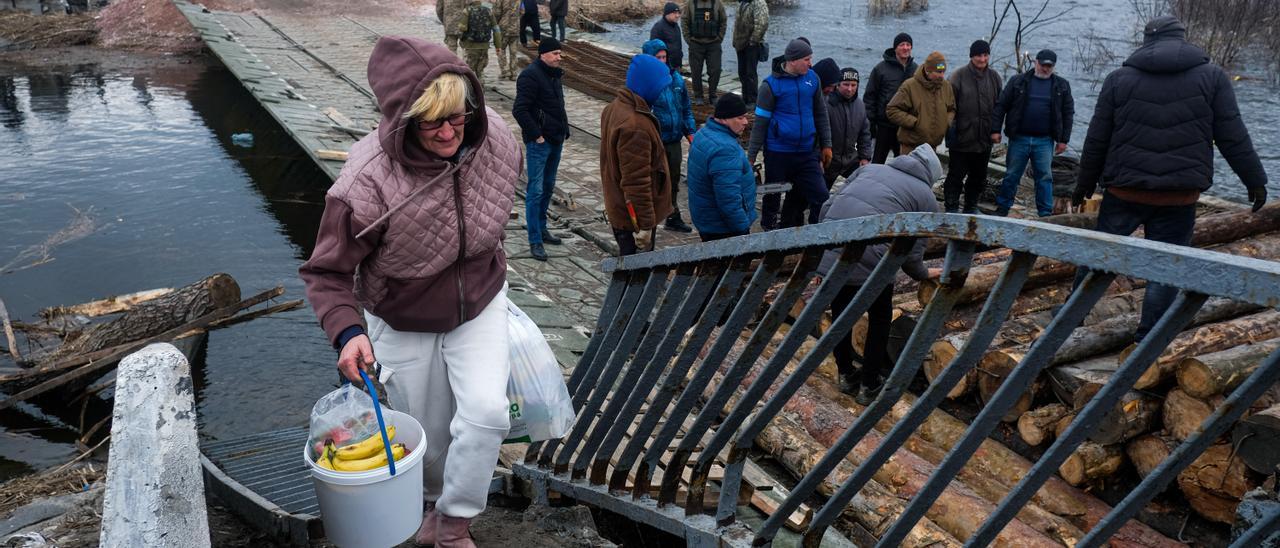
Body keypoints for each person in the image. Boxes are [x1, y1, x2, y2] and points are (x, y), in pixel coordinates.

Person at [299, 37, 521, 548]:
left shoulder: (498, 140)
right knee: (424, 433)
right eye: (431, 121)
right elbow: (326, 272)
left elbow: (496, 210)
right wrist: (348, 331)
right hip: (399, 315)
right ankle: (422, 509)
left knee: (486, 414)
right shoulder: (366, 181)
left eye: (458, 116)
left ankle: (455, 523)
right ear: (403, 117)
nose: (448, 131)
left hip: (480, 299)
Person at [1071, 15, 1268, 343]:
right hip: (1179, 195)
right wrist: (1255, 180)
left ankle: (1070, 320)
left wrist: (1083, 185)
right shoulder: (1213, 78)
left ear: (1147, 41)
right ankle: (1147, 342)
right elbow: (1233, 135)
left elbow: (1097, 139)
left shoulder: (1119, 79)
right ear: (1183, 38)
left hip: (1125, 190)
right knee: (1166, 269)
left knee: (1099, 259)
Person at [818, 144, 943, 404]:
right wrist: (925, 273)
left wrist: (824, 247)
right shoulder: (925, 197)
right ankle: (869, 383)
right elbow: (913, 252)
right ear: (930, 175)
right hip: (871, 262)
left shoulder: (870, 169)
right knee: (879, 318)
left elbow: (828, 205)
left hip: (833, 247)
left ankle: (845, 374)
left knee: (841, 312)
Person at [748, 38, 832, 230]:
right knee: (773, 196)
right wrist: (751, 156)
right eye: (807, 59)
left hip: (806, 152)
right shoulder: (770, 86)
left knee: (821, 196)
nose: (810, 63)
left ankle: (816, 235)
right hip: (778, 152)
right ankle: (768, 232)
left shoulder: (813, 79)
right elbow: (760, 124)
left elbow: (821, 114)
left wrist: (826, 145)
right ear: (793, 60)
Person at [600, 54, 675, 255]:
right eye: (659, 86)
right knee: (638, 280)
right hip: (632, 220)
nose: (662, 91)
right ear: (647, 85)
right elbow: (636, 182)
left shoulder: (614, 108)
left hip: (619, 208)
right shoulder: (635, 126)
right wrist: (645, 225)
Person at [990, 49, 1074, 217]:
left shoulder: (1062, 86)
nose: (1046, 69)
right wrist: (995, 130)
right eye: (1043, 65)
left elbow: (1068, 113)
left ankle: (1044, 213)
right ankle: (1003, 208)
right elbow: (1001, 106)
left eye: (1049, 66)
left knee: (1044, 177)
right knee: (1012, 175)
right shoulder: (1017, 81)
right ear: (1036, 62)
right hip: (1019, 138)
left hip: (1045, 141)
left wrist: (1064, 139)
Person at [512, 38, 570, 261]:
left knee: (548, 187)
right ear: (543, 54)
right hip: (540, 143)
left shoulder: (554, 75)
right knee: (535, 191)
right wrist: (536, 135)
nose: (559, 57)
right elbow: (520, 109)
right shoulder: (530, 75)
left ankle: (543, 229)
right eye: (555, 53)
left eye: (559, 53)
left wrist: (564, 130)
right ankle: (534, 239)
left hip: (556, 138)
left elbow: (558, 106)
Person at [642, 39, 698, 233]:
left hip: (674, 139)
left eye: (664, 57)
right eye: (658, 57)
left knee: (673, 180)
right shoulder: (644, 83)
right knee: (652, 181)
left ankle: (672, 216)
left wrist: (691, 133)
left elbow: (686, 109)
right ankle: (648, 220)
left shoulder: (676, 79)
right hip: (655, 141)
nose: (662, 61)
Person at [942, 39, 1003, 213]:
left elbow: (1000, 106)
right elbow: (947, 106)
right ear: (971, 56)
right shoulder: (957, 76)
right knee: (956, 175)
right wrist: (951, 131)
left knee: (978, 177)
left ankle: (971, 206)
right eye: (978, 55)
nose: (982, 59)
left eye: (985, 55)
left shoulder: (995, 77)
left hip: (984, 138)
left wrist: (996, 130)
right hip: (962, 137)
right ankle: (951, 207)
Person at [687, 93, 757, 241]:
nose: (746, 122)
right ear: (724, 119)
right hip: (722, 229)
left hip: (706, 220)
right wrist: (742, 229)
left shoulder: (703, 133)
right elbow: (728, 199)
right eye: (740, 118)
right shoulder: (724, 149)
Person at [886, 51, 955, 156]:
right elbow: (892, 110)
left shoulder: (946, 86)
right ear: (928, 71)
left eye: (943, 72)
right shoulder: (909, 86)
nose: (942, 76)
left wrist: (946, 122)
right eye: (938, 72)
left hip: (932, 147)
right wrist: (915, 122)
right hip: (911, 147)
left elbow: (952, 108)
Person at [864, 33, 917, 164]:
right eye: (901, 45)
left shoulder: (916, 69)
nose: (905, 48)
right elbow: (870, 97)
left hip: (905, 126)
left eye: (908, 44)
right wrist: (871, 123)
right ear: (895, 48)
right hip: (884, 125)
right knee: (877, 162)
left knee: (904, 163)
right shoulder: (881, 69)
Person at [824, 67, 872, 186]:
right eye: (846, 84)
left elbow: (864, 134)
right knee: (819, 199)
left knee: (867, 186)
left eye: (853, 85)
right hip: (829, 161)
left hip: (850, 160)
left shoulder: (860, 105)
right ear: (838, 85)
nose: (850, 89)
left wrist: (865, 158)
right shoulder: (826, 103)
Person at [681, 0, 726, 105]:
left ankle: (713, 95)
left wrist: (720, 37)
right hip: (696, 44)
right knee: (696, 71)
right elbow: (684, 22)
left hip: (714, 44)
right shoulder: (690, 4)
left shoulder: (718, 3)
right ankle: (698, 95)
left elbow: (723, 21)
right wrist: (689, 40)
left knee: (715, 70)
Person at [732, 0, 768, 105]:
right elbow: (736, 24)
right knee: (742, 72)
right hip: (740, 43)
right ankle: (745, 98)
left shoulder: (759, 2)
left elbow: (762, 23)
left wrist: (753, 40)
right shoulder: (741, 2)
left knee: (750, 73)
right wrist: (735, 41)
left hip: (752, 45)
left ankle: (752, 100)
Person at [458, 0, 499, 87]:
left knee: (468, 70)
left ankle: (469, 92)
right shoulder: (488, 11)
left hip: (470, 46)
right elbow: (496, 29)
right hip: (484, 46)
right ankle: (481, 90)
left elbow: (463, 28)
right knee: (480, 70)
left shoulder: (467, 11)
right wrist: (498, 45)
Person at [650, 3, 683, 72]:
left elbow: (678, 45)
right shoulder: (658, 27)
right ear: (667, 13)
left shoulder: (676, 26)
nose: (677, 15)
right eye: (674, 13)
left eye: (678, 13)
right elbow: (654, 50)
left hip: (676, 65)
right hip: (665, 66)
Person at [493, 0, 522, 81]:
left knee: (500, 49)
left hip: (504, 28)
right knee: (514, 52)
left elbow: (496, 13)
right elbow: (522, 11)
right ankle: (514, 73)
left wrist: (497, 23)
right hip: (515, 28)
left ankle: (505, 71)